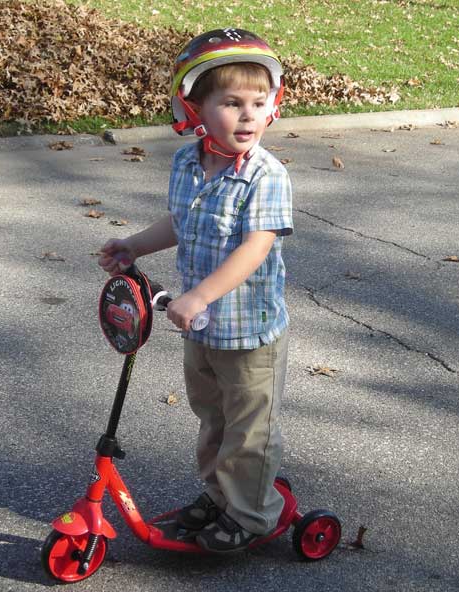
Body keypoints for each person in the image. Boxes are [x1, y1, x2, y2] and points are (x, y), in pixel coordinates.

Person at [98, 28, 293, 553]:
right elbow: (181, 222)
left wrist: (200, 295)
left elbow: (254, 248)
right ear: (195, 107)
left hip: (250, 332)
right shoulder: (188, 164)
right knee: (212, 419)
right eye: (232, 103)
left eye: (259, 101)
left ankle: (250, 515)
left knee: (249, 431)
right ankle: (219, 495)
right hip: (201, 330)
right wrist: (136, 246)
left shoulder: (265, 175)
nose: (249, 115)